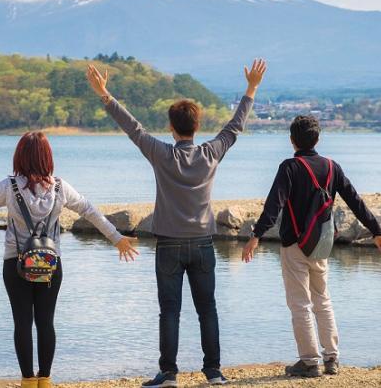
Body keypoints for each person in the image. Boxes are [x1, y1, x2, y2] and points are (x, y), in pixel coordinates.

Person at [85, 58, 267, 387]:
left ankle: (168, 373)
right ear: (196, 127)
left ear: (172, 128)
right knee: (207, 310)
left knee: (169, 311)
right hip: (203, 244)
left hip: (168, 244)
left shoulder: (162, 154)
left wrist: (105, 94)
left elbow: (134, 129)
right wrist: (251, 89)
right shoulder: (211, 153)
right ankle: (213, 372)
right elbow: (234, 127)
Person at [0, 131, 139, 388]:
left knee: (23, 323)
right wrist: (117, 238)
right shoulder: (60, 187)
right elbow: (89, 210)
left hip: (15, 264)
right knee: (46, 322)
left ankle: (28, 381)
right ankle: (45, 380)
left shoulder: (9, 186)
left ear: (20, 156)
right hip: (51, 265)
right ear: (47, 157)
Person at [242, 114, 381, 378]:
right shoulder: (332, 167)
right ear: (318, 138)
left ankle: (310, 361)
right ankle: (332, 359)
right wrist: (376, 231)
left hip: (294, 244)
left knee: (300, 304)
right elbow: (355, 201)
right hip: (321, 245)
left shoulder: (289, 167)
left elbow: (274, 205)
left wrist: (256, 235)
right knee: (323, 300)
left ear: (292, 141)